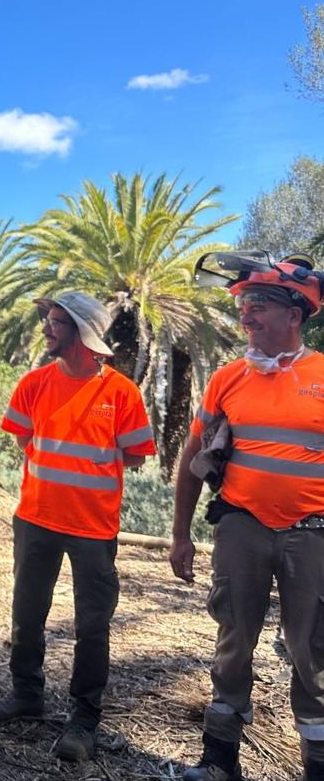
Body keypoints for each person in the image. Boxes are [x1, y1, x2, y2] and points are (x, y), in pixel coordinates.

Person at [0, 292, 156, 762]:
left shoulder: (120, 393)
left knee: (92, 627)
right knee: (27, 614)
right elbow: (24, 439)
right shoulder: (33, 384)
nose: (46, 328)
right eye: (48, 320)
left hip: (93, 530)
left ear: (83, 331)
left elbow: (136, 455)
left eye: (57, 322)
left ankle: (84, 720)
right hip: (35, 521)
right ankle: (26, 696)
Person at [169, 262, 324, 781]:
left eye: (258, 302)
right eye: (242, 303)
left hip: (314, 532)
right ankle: (219, 762)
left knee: (315, 649)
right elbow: (193, 457)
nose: (245, 313)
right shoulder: (228, 378)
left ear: (294, 312)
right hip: (241, 527)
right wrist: (180, 535)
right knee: (233, 640)